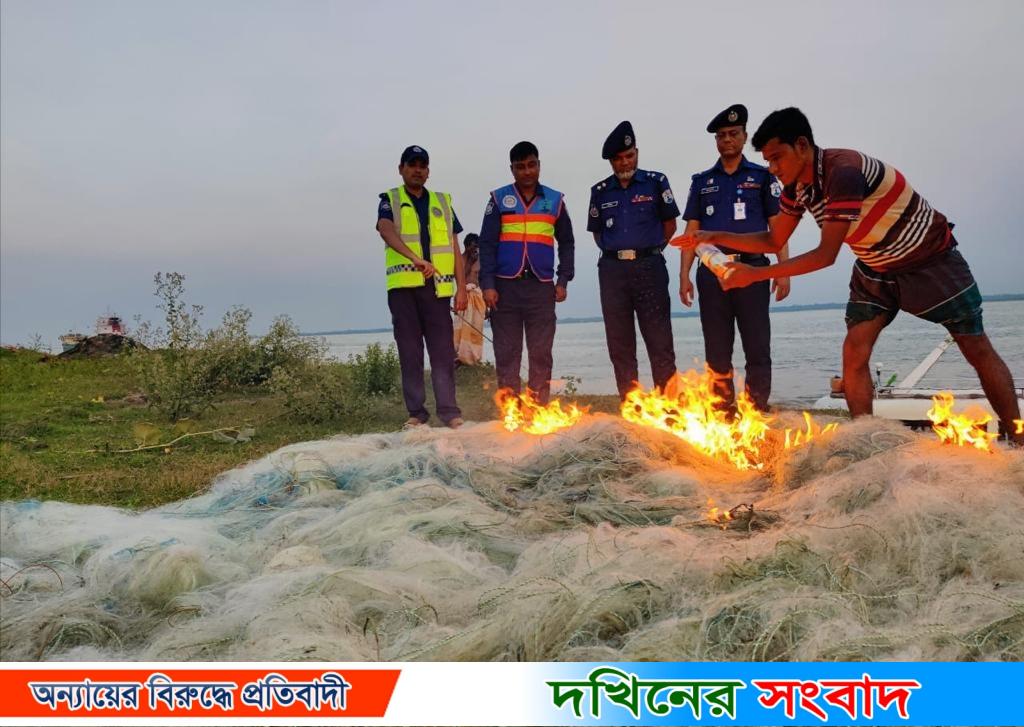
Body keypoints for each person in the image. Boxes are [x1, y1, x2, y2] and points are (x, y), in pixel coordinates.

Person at [671, 107, 1023, 443]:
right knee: (854, 352)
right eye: (767, 161)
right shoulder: (798, 187)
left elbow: (826, 255)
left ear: (803, 146)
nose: (773, 168)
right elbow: (773, 238)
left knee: (975, 346)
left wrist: (754, 275)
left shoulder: (844, 171)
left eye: (777, 157)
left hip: (928, 258)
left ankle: (1016, 436)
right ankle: (864, 440)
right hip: (875, 264)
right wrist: (712, 236)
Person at [679, 104, 791, 412]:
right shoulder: (702, 182)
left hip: (752, 270)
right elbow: (691, 230)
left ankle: (756, 412)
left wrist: (783, 271)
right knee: (717, 350)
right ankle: (723, 413)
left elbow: (777, 227)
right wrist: (684, 275)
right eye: (721, 136)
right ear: (716, 141)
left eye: (733, 134)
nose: (727, 140)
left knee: (757, 348)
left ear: (744, 137)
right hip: (712, 274)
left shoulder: (762, 177)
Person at [375, 145, 467, 429]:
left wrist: (462, 289)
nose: (417, 170)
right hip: (404, 289)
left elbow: (454, 247)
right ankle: (417, 413)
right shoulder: (390, 199)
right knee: (410, 352)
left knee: (442, 352)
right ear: (401, 168)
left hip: (437, 290)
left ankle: (449, 412)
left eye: (422, 165)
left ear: (428, 171)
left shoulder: (442, 201)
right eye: (412, 164)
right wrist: (415, 258)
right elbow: (385, 229)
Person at [588, 120, 679, 399]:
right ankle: (633, 406)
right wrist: (619, 254)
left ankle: (669, 406)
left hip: (649, 267)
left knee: (660, 341)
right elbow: (598, 233)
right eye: (619, 158)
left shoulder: (656, 182)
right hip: (613, 271)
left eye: (629, 155)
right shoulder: (600, 191)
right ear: (611, 161)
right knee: (620, 344)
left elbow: (670, 226)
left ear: (637, 153)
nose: (625, 162)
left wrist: (647, 251)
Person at [479, 141, 575, 403]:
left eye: (531, 165)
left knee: (541, 352)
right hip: (504, 288)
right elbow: (486, 244)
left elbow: (567, 241)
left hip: (541, 287)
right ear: (512, 170)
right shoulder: (498, 199)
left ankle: (538, 408)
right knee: (507, 352)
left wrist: (563, 279)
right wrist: (487, 284)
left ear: (539, 165)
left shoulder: (555, 200)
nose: (527, 172)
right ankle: (511, 410)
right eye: (520, 167)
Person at [453, 233, 486, 366]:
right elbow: (461, 277)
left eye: (477, 247)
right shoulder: (460, 259)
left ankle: (473, 358)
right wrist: (470, 261)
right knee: (461, 329)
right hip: (463, 298)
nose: (475, 249)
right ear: (466, 246)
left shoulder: (481, 260)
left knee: (476, 329)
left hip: (478, 298)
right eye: (473, 246)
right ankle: (460, 357)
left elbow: (483, 281)